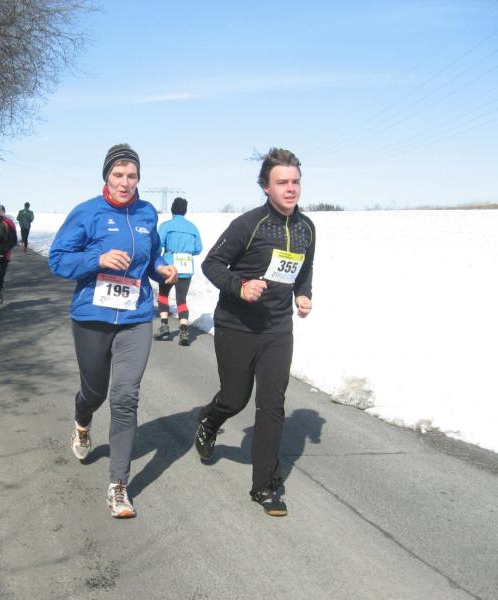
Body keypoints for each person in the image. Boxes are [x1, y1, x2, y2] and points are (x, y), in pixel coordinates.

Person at [48, 143, 177, 518]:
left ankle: (118, 485)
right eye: (118, 175)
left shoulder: (147, 213)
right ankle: (82, 421)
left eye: (132, 176)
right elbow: (57, 259)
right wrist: (98, 258)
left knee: (124, 396)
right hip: (92, 316)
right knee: (95, 392)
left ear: (139, 179)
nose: (125, 182)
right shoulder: (87, 212)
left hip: (135, 316)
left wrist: (162, 268)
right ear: (106, 176)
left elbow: (151, 256)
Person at [195, 148, 315, 517]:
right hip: (237, 326)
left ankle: (264, 486)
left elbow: (304, 267)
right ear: (265, 187)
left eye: (295, 182)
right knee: (235, 398)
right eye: (282, 182)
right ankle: (210, 421)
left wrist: (303, 294)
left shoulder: (306, 227)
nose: (290, 189)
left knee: (272, 405)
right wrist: (240, 286)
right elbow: (212, 264)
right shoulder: (249, 225)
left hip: (278, 328)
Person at [154, 197, 203, 346]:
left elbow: (158, 245)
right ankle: (184, 331)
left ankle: (164, 326)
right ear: (185, 211)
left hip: (169, 266)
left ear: (172, 210)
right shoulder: (193, 227)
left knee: (163, 295)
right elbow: (198, 249)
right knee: (182, 299)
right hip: (186, 267)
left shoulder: (166, 225)